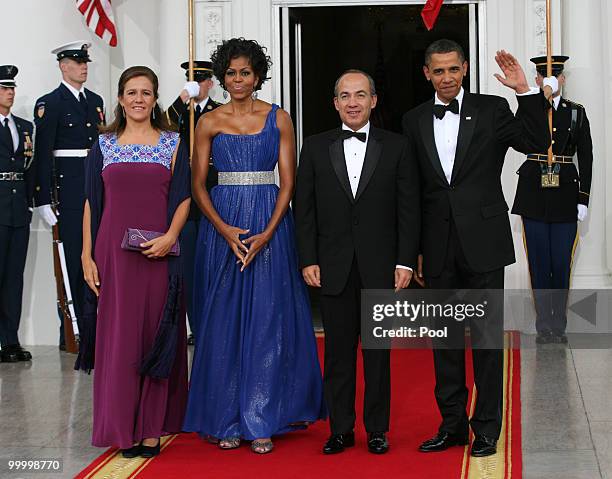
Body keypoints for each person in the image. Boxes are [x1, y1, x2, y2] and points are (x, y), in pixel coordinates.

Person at [402, 39, 551, 457]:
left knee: (486, 340)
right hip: (436, 246)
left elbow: (536, 140)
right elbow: (411, 191)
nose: (447, 77)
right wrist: (412, 250)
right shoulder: (413, 120)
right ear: (426, 73)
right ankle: (451, 425)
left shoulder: (492, 109)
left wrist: (524, 92)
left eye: (453, 69)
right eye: (438, 70)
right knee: (444, 340)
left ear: (464, 68)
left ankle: (486, 428)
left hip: (483, 242)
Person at [183, 38, 325, 455]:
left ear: (258, 75)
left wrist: (268, 231)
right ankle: (226, 416)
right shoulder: (207, 122)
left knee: (268, 318)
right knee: (222, 320)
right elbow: (196, 185)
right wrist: (225, 230)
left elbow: (289, 182)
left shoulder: (279, 118)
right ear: (222, 77)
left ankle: (263, 417)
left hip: (270, 224)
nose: (238, 79)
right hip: (221, 226)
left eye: (246, 72)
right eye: (231, 73)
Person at [294, 69, 420, 455]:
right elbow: (306, 210)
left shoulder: (397, 146)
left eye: (360, 95)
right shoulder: (314, 146)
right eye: (345, 96)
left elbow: (408, 209)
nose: (353, 102)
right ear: (335, 103)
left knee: (378, 354)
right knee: (337, 354)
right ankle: (341, 429)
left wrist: (405, 261)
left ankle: (377, 429)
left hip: (381, 265)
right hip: (332, 266)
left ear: (373, 100)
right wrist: (308, 258)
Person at [79, 66, 190, 457]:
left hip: (160, 252)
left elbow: (183, 198)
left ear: (155, 98)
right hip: (113, 256)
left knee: (155, 335)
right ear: (121, 99)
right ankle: (123, 428)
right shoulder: (104, 145)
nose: (139, 99)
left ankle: (151, 428)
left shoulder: (173, 142)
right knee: (120, 340)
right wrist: (86, 255)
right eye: (131, 92)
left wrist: (171, 237)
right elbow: (92, 201)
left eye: (146, 92)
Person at [512, 55, 593, 345]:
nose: (551, 80)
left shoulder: (576, 112)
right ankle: (543, 324)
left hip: (564, 194)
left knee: (560, 263)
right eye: (544, 77)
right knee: (538, 261)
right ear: (537, 80)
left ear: (563, 79)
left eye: (556, 76)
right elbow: (524, 135)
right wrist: (541, 97)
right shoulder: (529, 109)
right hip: (534, 193)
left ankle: (559, 324)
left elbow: (586, 156)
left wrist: (583, 197)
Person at [33, 41, 105, 350]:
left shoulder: (95, 101)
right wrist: (42, 199)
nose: (84, 66)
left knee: (99, 256)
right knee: (75, 259)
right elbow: (42, 153)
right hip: (70, 190)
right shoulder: (51, 103)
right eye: (77, 62)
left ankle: (99, 324)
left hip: (97, 185)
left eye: (86, 61)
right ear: (63, 66)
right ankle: (75, 329)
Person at [166, 60, 221, 345]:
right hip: (185, 197)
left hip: (212, 195)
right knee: (188, 267)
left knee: (211, 266)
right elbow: (162, 125)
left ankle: (212, 324)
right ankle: (195, 326)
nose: (197, 86)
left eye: (201, 81)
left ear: (210, 83)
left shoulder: (219, 113)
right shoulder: (180, 112)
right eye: (192, 81)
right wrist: (182, 98)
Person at [0, 65, 34, 363]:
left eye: (11, 88)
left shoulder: (24, 127)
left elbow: (29, 168)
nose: (9, 93)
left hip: (18, 210)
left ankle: (10, 340)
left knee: (14, 278)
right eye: (3, 88)